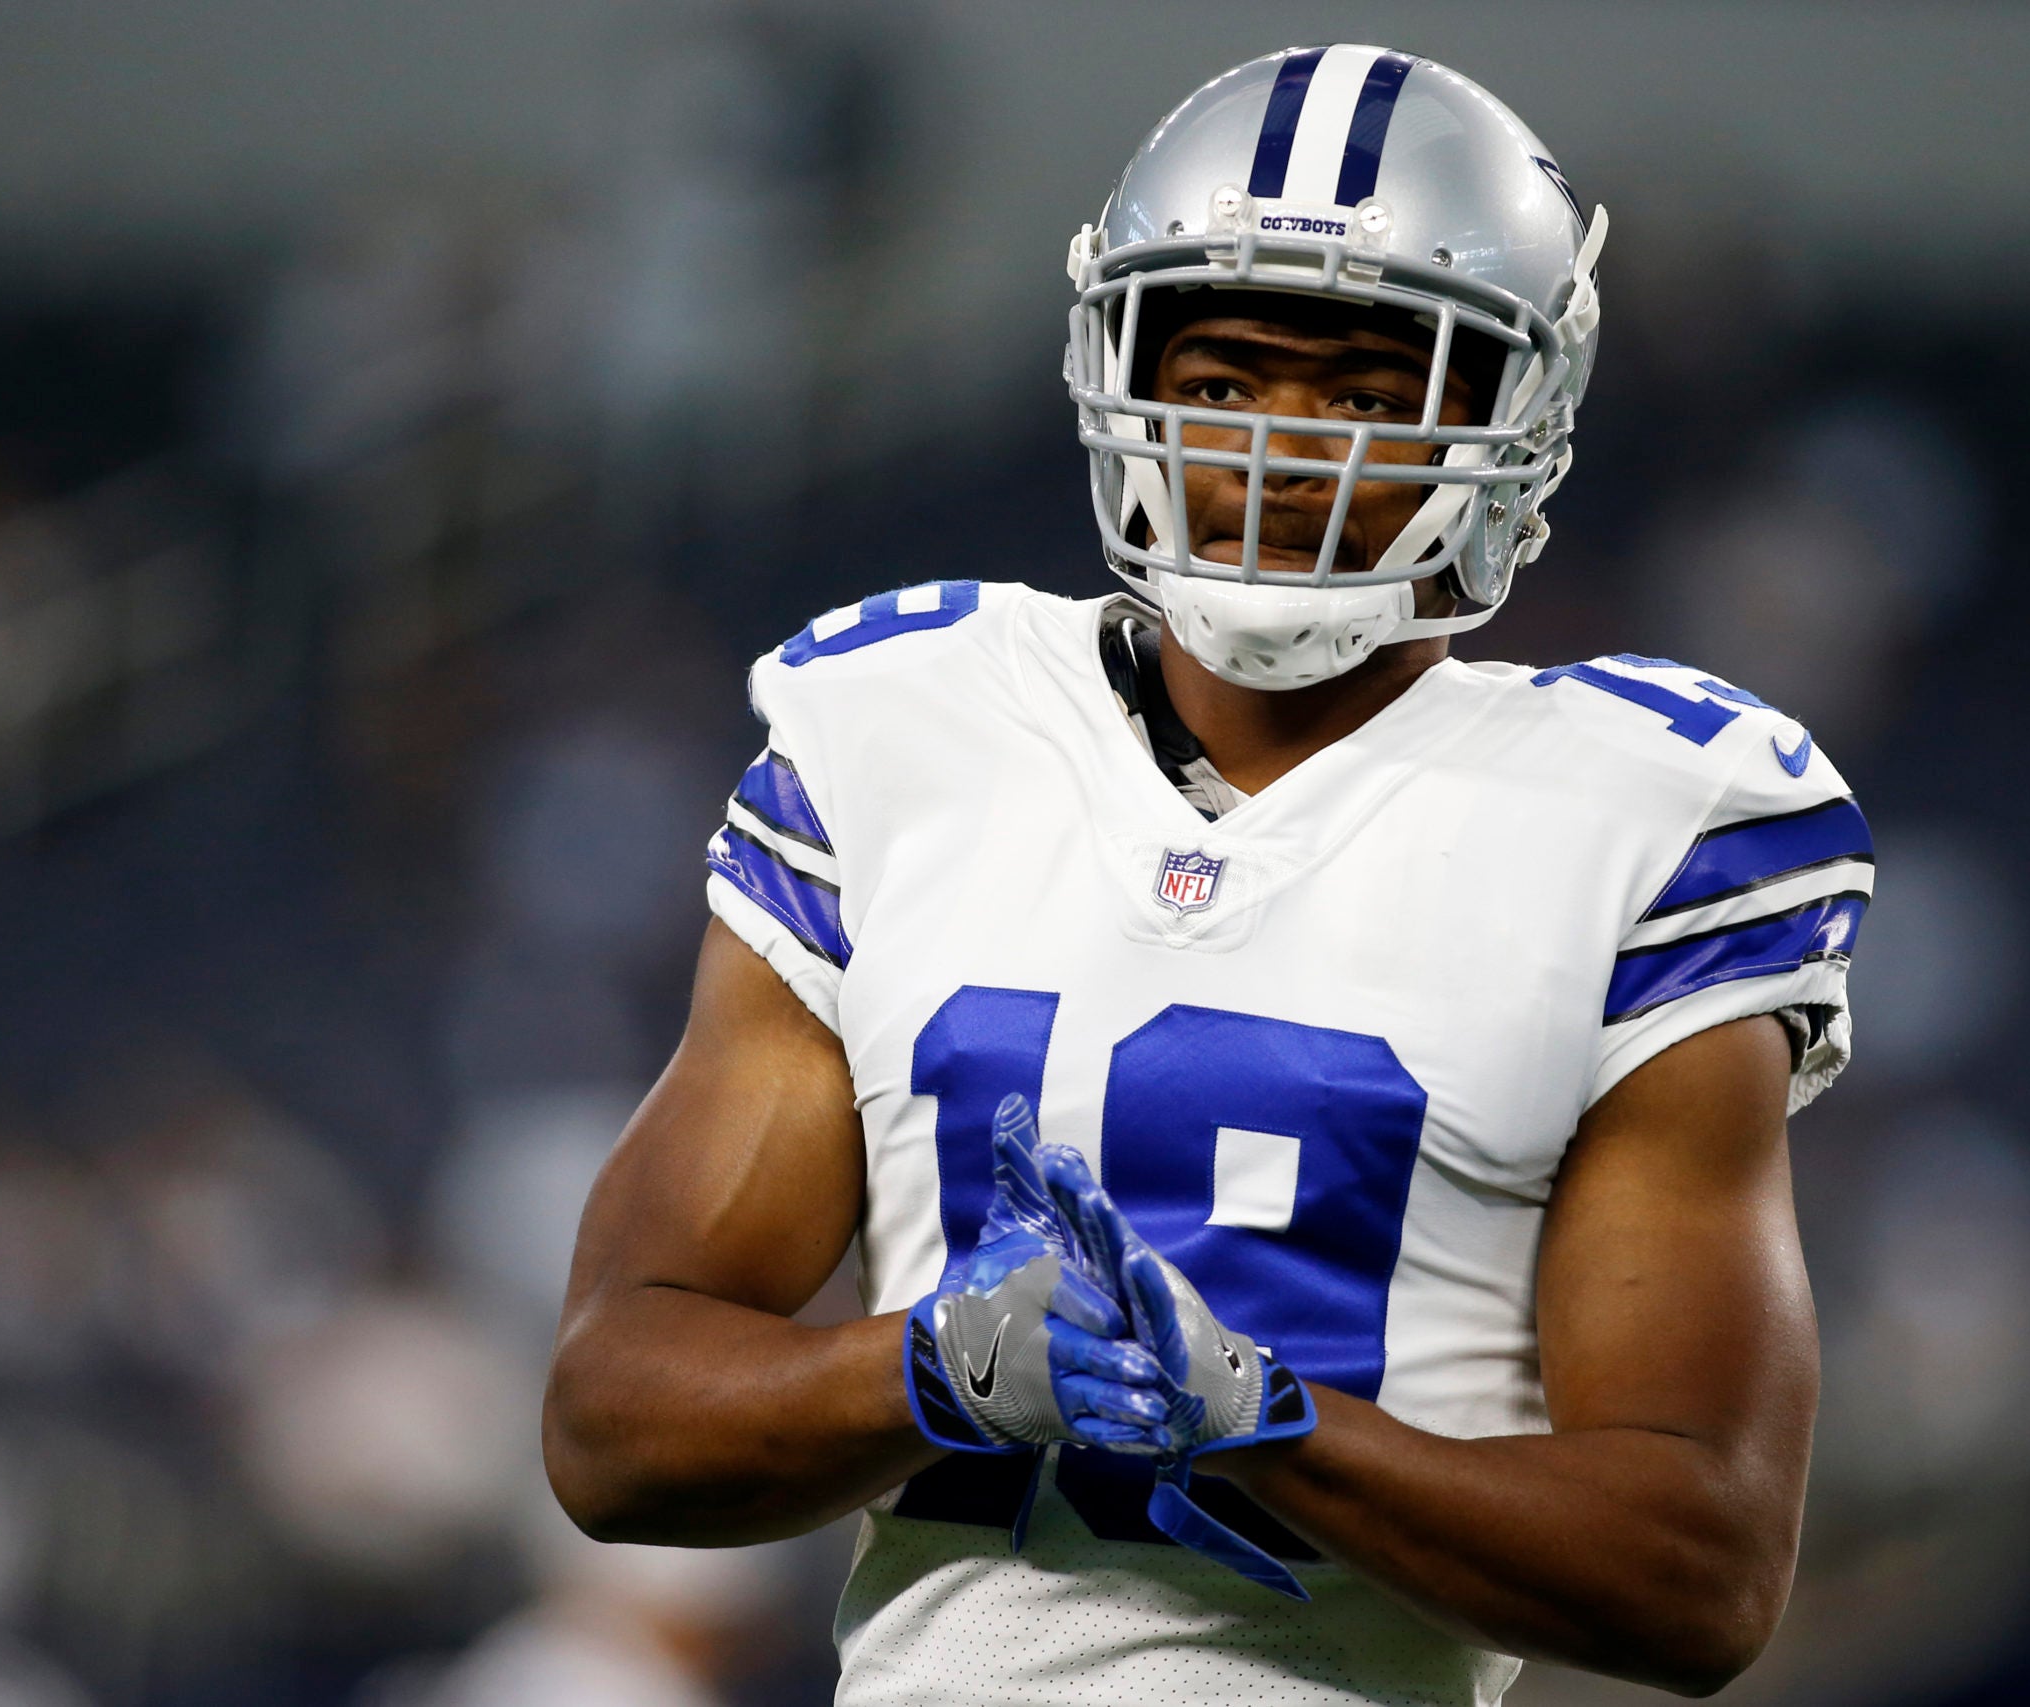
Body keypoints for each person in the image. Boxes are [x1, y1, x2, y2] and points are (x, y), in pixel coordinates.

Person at [544, 43, 1872, 1706]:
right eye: (1228, 372)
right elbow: (611, 1424)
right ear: (1117, 367)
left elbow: (1704, 1569)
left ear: (1512, 419)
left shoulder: (1649, 819)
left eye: (1374, 392)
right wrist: (946, 1371)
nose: (1284, 445)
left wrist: (1262, 1419)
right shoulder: (907, 731)